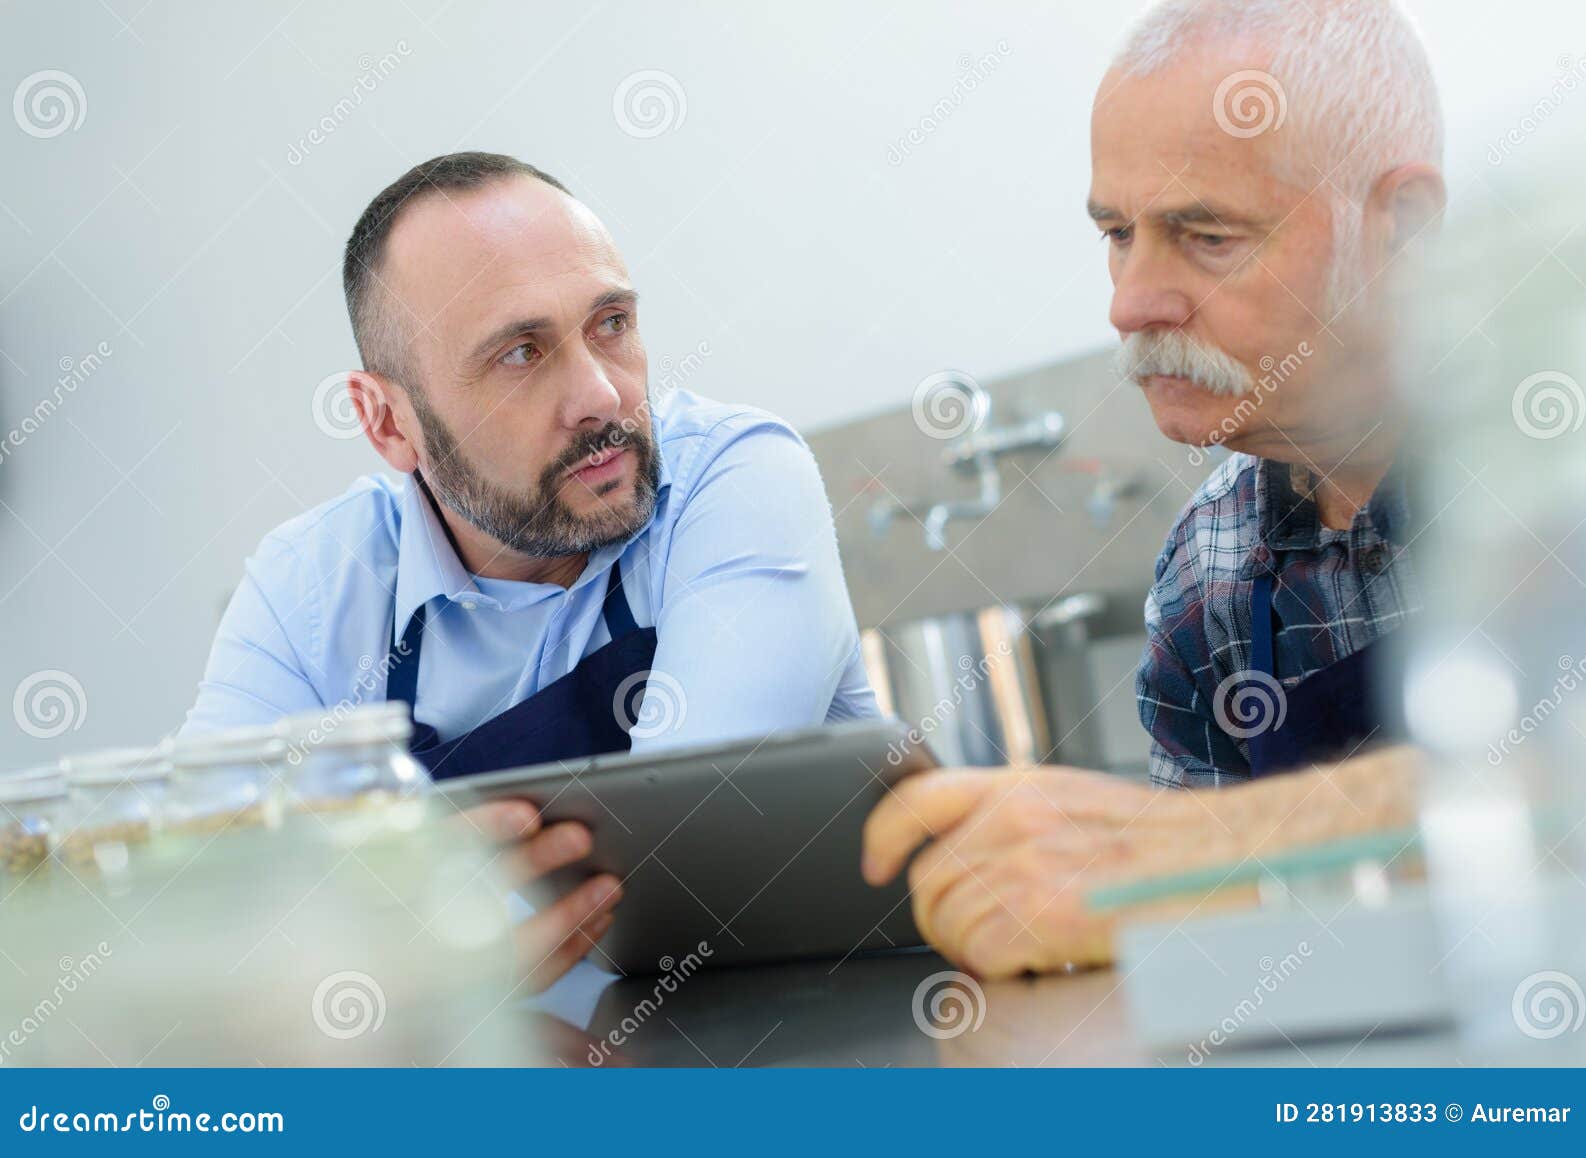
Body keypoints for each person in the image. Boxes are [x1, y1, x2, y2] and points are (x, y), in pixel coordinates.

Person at [182, 151, 879, 987]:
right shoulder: (308, 589)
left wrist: (379, 935)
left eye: (611, 324)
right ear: (388, 421)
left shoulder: (736, 477)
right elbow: (200, 907)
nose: (601, 397)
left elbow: (693, 845)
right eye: (521, 353)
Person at [863, 0, 1445, 976]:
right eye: (1116, 233)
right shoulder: (1208, 566)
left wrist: (1178, 857)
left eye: (1207, 236)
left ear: (1402, 224)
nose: (1129, 301)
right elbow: (1226, 966)